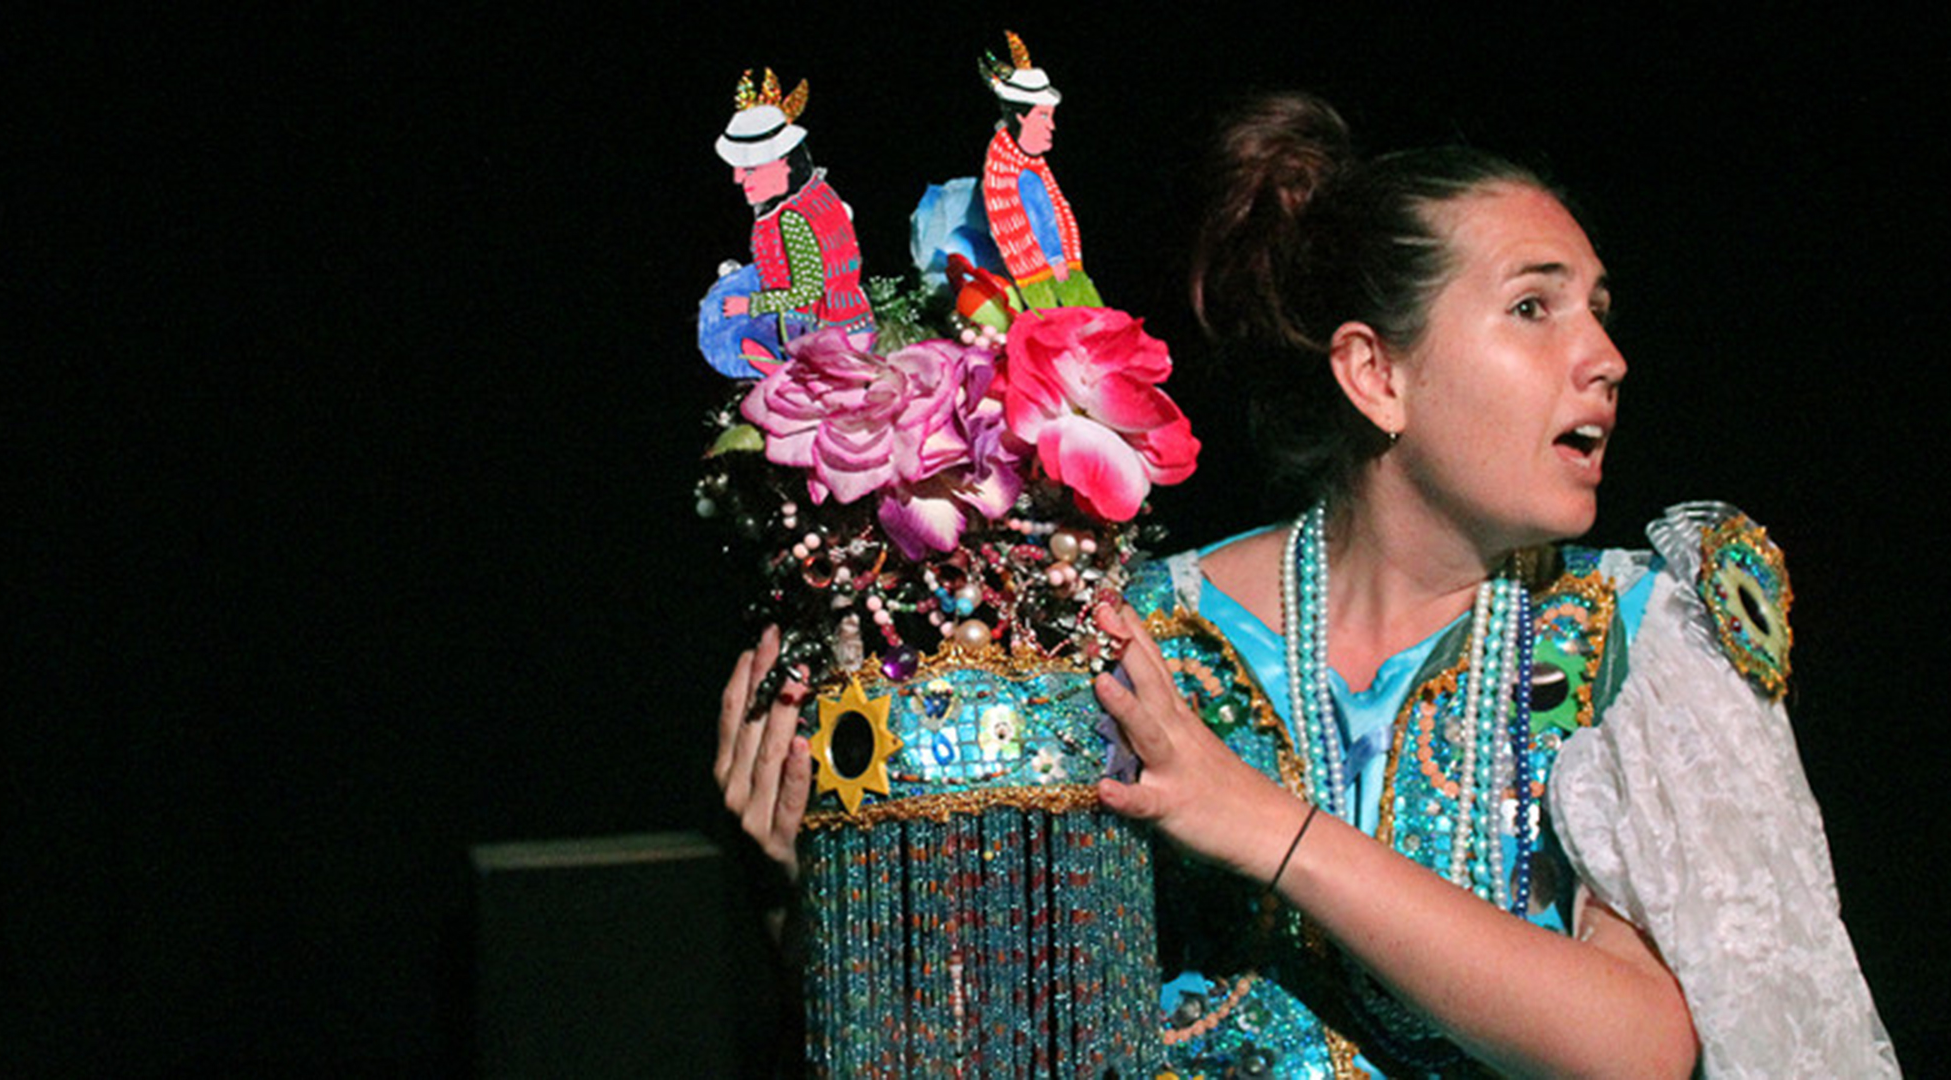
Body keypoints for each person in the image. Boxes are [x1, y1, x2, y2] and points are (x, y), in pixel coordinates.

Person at [716, 93, 1899, 1076]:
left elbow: (1638, 1047)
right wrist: (804, 900)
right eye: (1535, 307)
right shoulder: (1131, 635)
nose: (1603, 358)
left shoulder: (1624, 636)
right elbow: (1003, 1041)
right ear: (1374, 374)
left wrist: (1260, 824)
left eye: (1599, 310)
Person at [703, 69, 873, 376]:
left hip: (830, 335)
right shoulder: (815, 197)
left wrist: (750, 305)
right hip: (840, 325)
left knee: (742, 343)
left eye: (750, 168)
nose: (738, 178)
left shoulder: (793, 219)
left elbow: (808, 289)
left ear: (785, 163)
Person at [978, 31, 1102, 310]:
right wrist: (1056, 259)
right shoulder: (1011, 170)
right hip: (1043, 275)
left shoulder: (1030, 164)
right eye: (1043, 116)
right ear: (1020, 116)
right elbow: (1035, 216)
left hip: (1062, 267)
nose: (1052, 127)